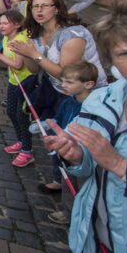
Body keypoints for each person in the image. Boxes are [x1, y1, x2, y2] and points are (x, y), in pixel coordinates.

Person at [44, 0, 127, 253]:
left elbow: (112, 161)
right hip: (110, 238)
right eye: (126, 53)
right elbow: (91, 160)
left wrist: (118, 164)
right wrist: (75, 156)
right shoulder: (106, 99)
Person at [9, 0, 107, 123]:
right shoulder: (37, 33)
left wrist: (33, 54)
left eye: (44, 6)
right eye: (35, 6)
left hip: (85, 96)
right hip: (56, 91)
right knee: (52, 134)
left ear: (56, 9)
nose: (39, 10)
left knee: (72, 138)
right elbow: (35, 70)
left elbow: (66, 74)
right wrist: (24, 53)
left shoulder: (72, 34)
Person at [36, 61, 98, 225]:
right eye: (63, 81)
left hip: (83, 153)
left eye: (69, 82)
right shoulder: (68, 101)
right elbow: (60, 119)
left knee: (84, 185)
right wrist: (48, 128)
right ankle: (68, 212)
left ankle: (85, 218)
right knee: (67, 180)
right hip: (66, 150)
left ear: (88, 84)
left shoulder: (94, 106)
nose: (63, 85)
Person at [0, 10, 35, 167]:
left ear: (17, 24)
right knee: (11, 112)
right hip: (13, 82)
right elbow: (5, 64)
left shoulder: (21, 40)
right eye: (0, 23)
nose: (1, 26)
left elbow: (18, 65)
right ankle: (21, 141)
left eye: (5, 23)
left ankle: (27, 150)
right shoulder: (6, 39)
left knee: (22, 116)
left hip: (25, 84)